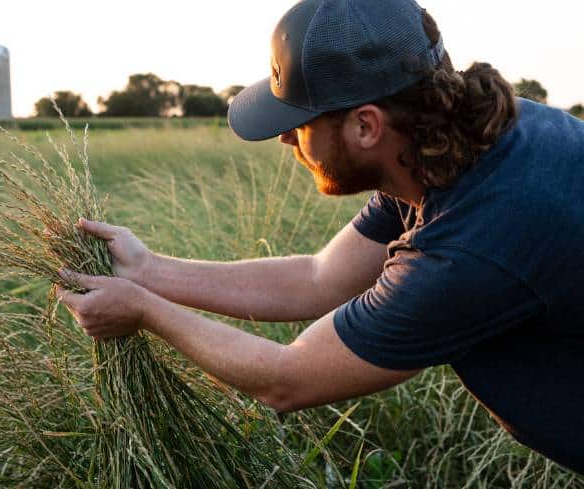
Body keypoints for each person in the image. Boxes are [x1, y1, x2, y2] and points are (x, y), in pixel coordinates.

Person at [56, 0, 584, 474]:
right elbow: (320, 278)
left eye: (302, 122)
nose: (285, 137)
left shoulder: (469, 247)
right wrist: (149, 272)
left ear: (366, 127)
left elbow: (288, 379)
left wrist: (145, 311)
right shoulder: (464, 144)